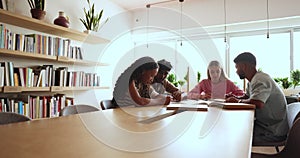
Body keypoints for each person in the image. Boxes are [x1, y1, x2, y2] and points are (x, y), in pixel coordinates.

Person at [225, 52, 289, 144]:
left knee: (234, 137)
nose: (236, 71)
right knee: (235, 129)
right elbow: (247, 97)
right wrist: (235, 97)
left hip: (273, 132)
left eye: (237, 67)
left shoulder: (260, 79)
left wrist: (237, 101)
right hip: (265, 125)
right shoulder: (252, 80)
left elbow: (258, 103)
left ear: (244, 66)